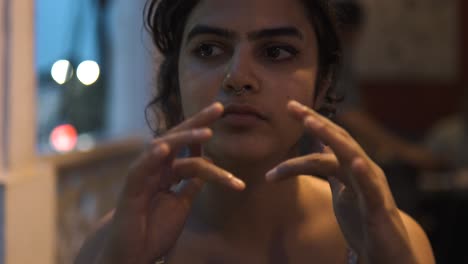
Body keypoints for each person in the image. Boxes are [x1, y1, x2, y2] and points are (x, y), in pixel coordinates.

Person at [76, 0, 435, 263]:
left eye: (276, 51)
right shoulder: (113, 246)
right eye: (209, 49)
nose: (238, 78)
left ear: (323, 83)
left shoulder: (386, 238)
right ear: (175, 78)